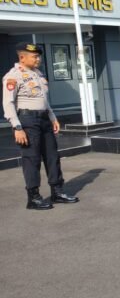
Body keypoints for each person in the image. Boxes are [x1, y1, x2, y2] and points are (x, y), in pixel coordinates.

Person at [2, 42, 79, 210]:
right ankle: (34, 197)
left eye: (38, 56)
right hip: (27, 121)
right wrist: (17, 127)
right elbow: (8, 104)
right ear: (22, 57)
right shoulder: (13, 76)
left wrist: (52, 117)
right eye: (34, 56)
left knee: (52, 156)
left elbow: (43, 100)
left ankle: (57, 191)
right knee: (32, 159)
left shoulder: (37, 74)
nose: (38, 59)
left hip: (44, 119)